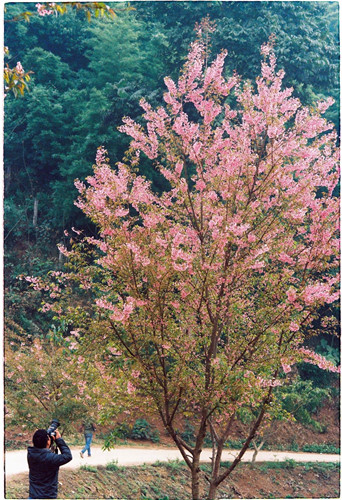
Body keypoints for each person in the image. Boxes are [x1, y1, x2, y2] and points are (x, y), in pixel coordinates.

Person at [27, 428, 72, 499]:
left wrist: (40, 435)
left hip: (33, 496)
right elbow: (68, 456)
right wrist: (59, 440)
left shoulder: (31, 454)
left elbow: (41, 450)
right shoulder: (51, 458)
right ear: (48, 442)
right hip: (47, 496)